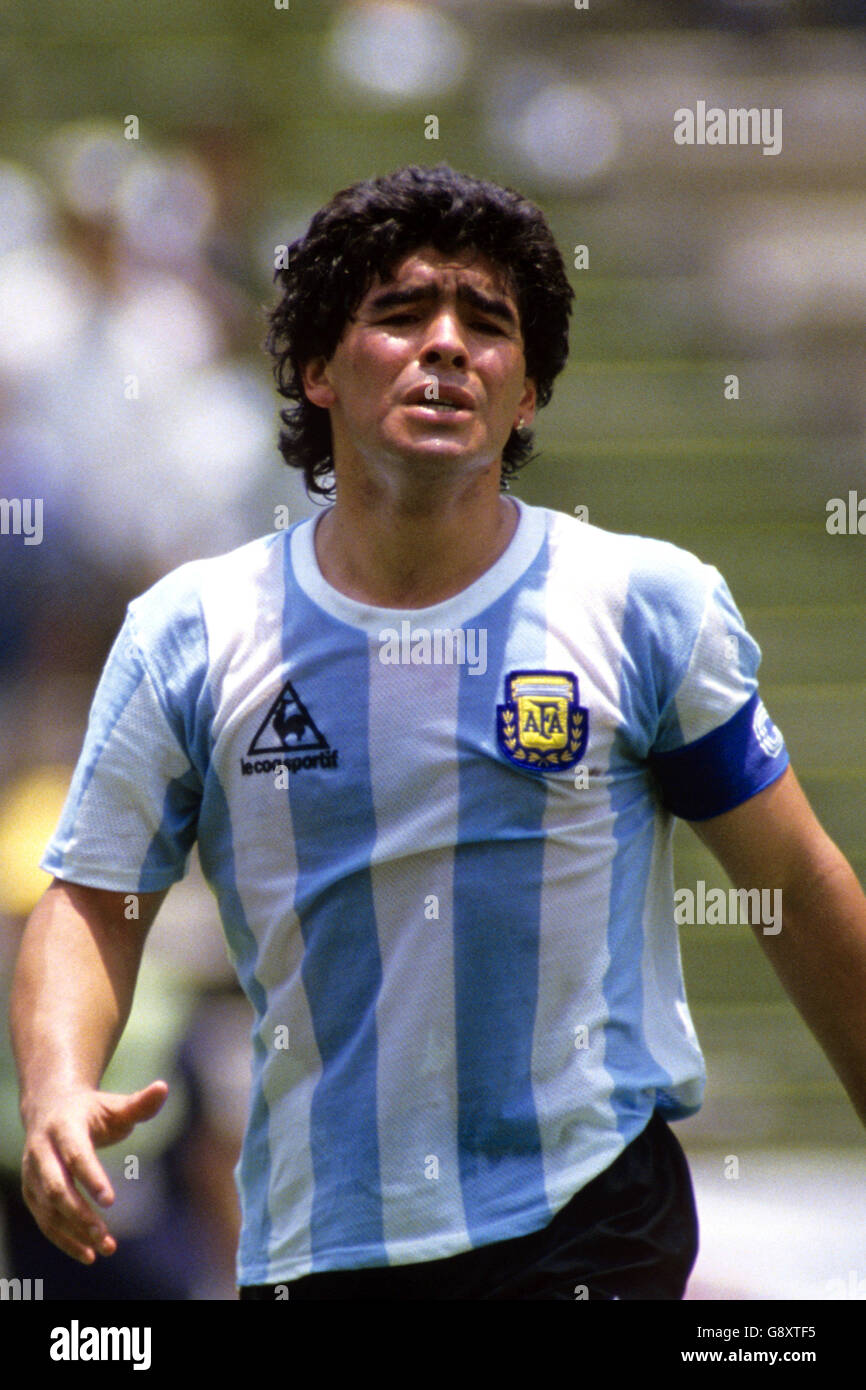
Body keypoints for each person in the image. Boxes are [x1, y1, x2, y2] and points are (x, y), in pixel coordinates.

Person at [11, 164, 866, 1301]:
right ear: (318, 370)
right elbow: (94, 899)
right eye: (401, 314)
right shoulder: (192, 632)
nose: (448, 344)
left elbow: (796, 886)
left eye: (487, 323)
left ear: (524, 395)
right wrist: (59, 1086)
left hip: (590, 1216)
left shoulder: (646, 605)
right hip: (322, 1240)